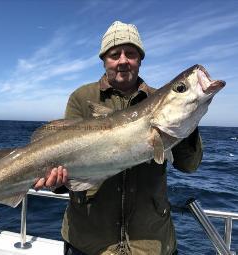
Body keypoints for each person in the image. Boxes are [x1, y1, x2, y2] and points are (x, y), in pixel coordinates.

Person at [34, 21, 203, 255]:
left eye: (131, 53)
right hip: (89, 242)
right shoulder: (82, 98)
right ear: (104, 60)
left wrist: (188, 119)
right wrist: (58, 182)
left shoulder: (158, 98)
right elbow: (67, 167)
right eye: (115, 54)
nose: (123, 60)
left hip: (151, 243)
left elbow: (190, 166)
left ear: (140, 59)